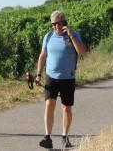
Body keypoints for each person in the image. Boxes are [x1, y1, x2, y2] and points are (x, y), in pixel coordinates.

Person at [35, 10, 87, 148]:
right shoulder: (48, 37)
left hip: (68, 78)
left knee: (66, 108)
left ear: (64, 23)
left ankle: (65, 137)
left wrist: (71, 36)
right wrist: (38, 74)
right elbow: (42, 56)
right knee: (49, 104)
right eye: (53, 24)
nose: (56, 27)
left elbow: (82, 52)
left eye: (59, 23)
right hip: (51, 77)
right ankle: (47, 137)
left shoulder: (73, 35)